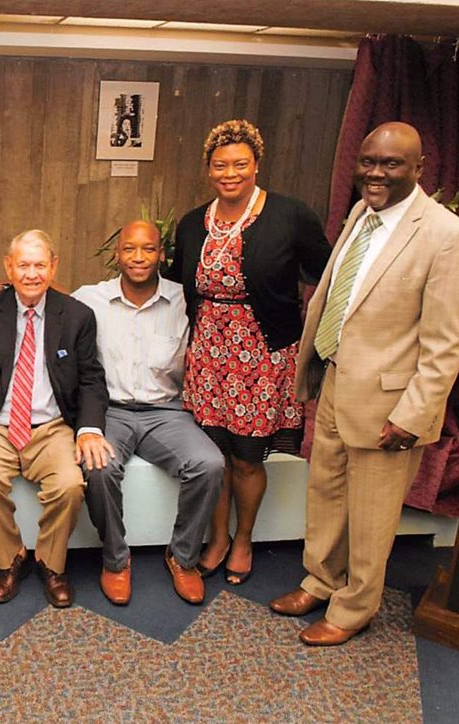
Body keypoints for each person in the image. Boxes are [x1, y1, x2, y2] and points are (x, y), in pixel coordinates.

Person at [270, 122, 459, 646]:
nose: (375, 172)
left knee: (372, 514)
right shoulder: (362, 213)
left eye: (391, 164)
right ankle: (321, 580)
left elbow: (446, 344)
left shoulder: (444, 235)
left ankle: (354, 608)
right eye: (368, 160)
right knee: (326, 492)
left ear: (419, 169)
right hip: (336, 380)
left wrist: (414, 416)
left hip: (389, 405)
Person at [170, 119, 330, 585]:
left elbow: (325, 275)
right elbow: (180, 281)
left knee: (247, 457)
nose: (230, 173)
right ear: (208, 169)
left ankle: (243, 541)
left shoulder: (289, 215)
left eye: (240, 163)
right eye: (220, 165)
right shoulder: (192, 221)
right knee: (214, 456)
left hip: (261, 354)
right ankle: (217, 540)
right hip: (209, 352)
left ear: (257, 164)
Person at [0, 229, 111, 608]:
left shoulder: (78, 316)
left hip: (52, 427)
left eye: (40, 265)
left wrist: (89, 428)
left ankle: (51, 562)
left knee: (69, 484)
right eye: (24, 265)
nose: (32, 274)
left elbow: (92, 379)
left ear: (54, 267)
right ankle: (11, 559)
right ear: (9, 267)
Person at [73, 221, 224, 606]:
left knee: (208, 464)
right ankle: (116, 560)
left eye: (147, 249)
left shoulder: (185, 299)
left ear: (161, 254)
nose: (138, 258)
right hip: (111, 412)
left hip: (166, 412)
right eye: (129, 249)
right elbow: (44, 303)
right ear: (117, 254)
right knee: (98, 468)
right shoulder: (90, 298)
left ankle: (183, 557)